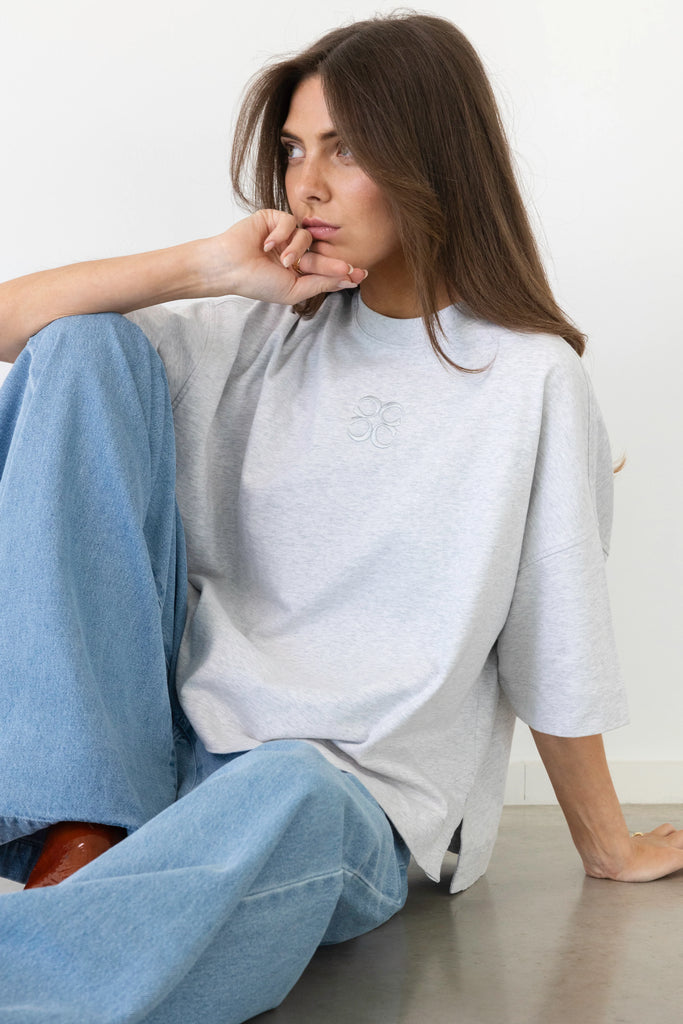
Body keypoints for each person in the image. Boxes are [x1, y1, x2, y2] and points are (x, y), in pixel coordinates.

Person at [0, 11, 681, 1023]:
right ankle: (82, 826)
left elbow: (555, 628)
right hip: (172, 761)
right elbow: (15, 329)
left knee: (289, 786)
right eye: (291, 151)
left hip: (344, 796)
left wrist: (606, 843)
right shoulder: (257, 330)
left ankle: (45, 956)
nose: (305, 186)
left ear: (431, 161)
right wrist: (208, 267)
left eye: (344, 149)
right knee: (82, 348)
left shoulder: (528, 380)